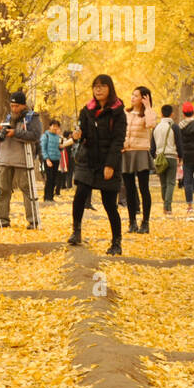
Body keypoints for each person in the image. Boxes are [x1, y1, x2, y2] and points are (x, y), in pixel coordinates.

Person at [67, 74, 127, 254]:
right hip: (88, 160)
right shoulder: (87, 110)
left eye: (102, 86)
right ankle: (76, 231)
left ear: (110, 88)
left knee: (109, 203)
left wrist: (110, 165)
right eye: (95, 86)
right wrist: (77, 135)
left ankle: (116, 242)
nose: (98, 89)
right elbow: (82, 133)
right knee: (80, 195)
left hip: (108, 161)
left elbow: (118, 141)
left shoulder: (118, 112)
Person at [0, 90, 43, 229]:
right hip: (5, 158)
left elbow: (35, 135)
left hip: (22, 160)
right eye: (12, 105)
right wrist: (1, 129)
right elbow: (0, 136)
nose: (14, 108)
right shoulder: (9, 117)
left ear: (23, 105)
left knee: (27, 189)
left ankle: (33, 220)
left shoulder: (32, 117)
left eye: (16, 106)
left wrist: (15, 133)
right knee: (3, 189)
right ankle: (2, 219)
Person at [121, 87, 160, 234]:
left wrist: (148, 107)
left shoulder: (148, 114)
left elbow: (151, 125)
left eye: (136, 95)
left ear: (144, 98)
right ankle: (132, 222)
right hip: (126, 153)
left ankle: (145, 222)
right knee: (129, 189)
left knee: (144, 189)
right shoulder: (126, 113)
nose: (132, 97)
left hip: (141, 152)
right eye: (132, 94)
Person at [151, 105, 182, 214]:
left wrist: (153, 157)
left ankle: (166, 204)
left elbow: (152, 146)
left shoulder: (156, 127)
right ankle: (167, 206)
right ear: (172, 114)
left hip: (159, 158)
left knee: (163, 183)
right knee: (171, 182)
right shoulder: (174, 127)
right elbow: (179, 143)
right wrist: (181, 156)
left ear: (161, 114)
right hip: (171, 157)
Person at [40, 119, 63, 203]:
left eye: (57, 126)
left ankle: (51, 197)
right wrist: (47, 159)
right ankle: (47, 197)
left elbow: (60, 148)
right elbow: (43, 148)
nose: (55, 128)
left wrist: (62, 146)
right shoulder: (45, 136)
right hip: (48, 160)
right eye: (54, 126)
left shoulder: (57, 137)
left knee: (54, 179)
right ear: (50, 126)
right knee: (49, 179)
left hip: (56, 159)